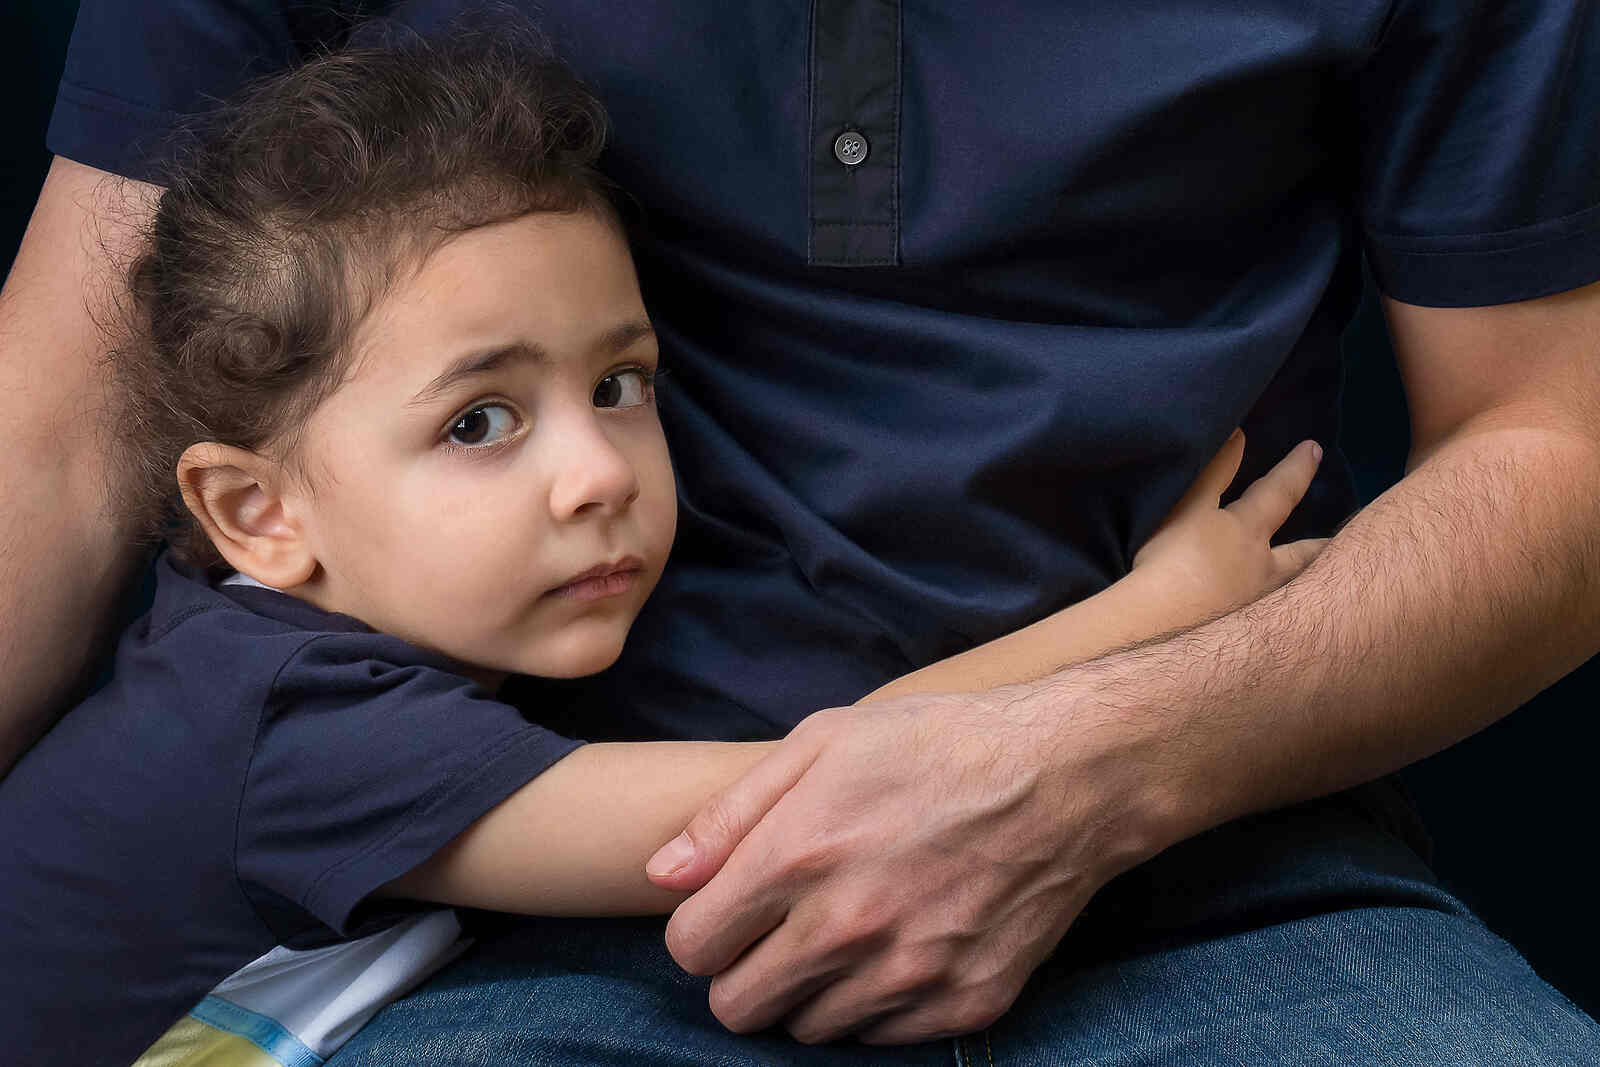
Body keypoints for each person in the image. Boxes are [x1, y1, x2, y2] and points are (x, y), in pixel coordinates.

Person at [5, 1, 1600, 1063]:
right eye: (481, 421)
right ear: (249, 513)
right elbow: (790, 812)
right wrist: (1160, 608)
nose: (599, 478)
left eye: (631, 385)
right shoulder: (298, 729)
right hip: (524, 952)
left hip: (1234, 879)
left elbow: (1560, 437)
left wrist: (1135, 744)